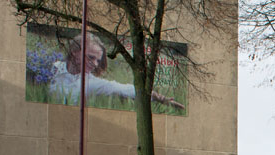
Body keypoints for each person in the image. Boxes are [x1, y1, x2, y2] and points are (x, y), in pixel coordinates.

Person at [49, 33, 183, 110]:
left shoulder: (91, 82)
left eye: (97, 60)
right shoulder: (50, 68)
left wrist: (159, 97)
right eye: (91, 57)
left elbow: (123, 89)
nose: (95, 64)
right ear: (74, 52)